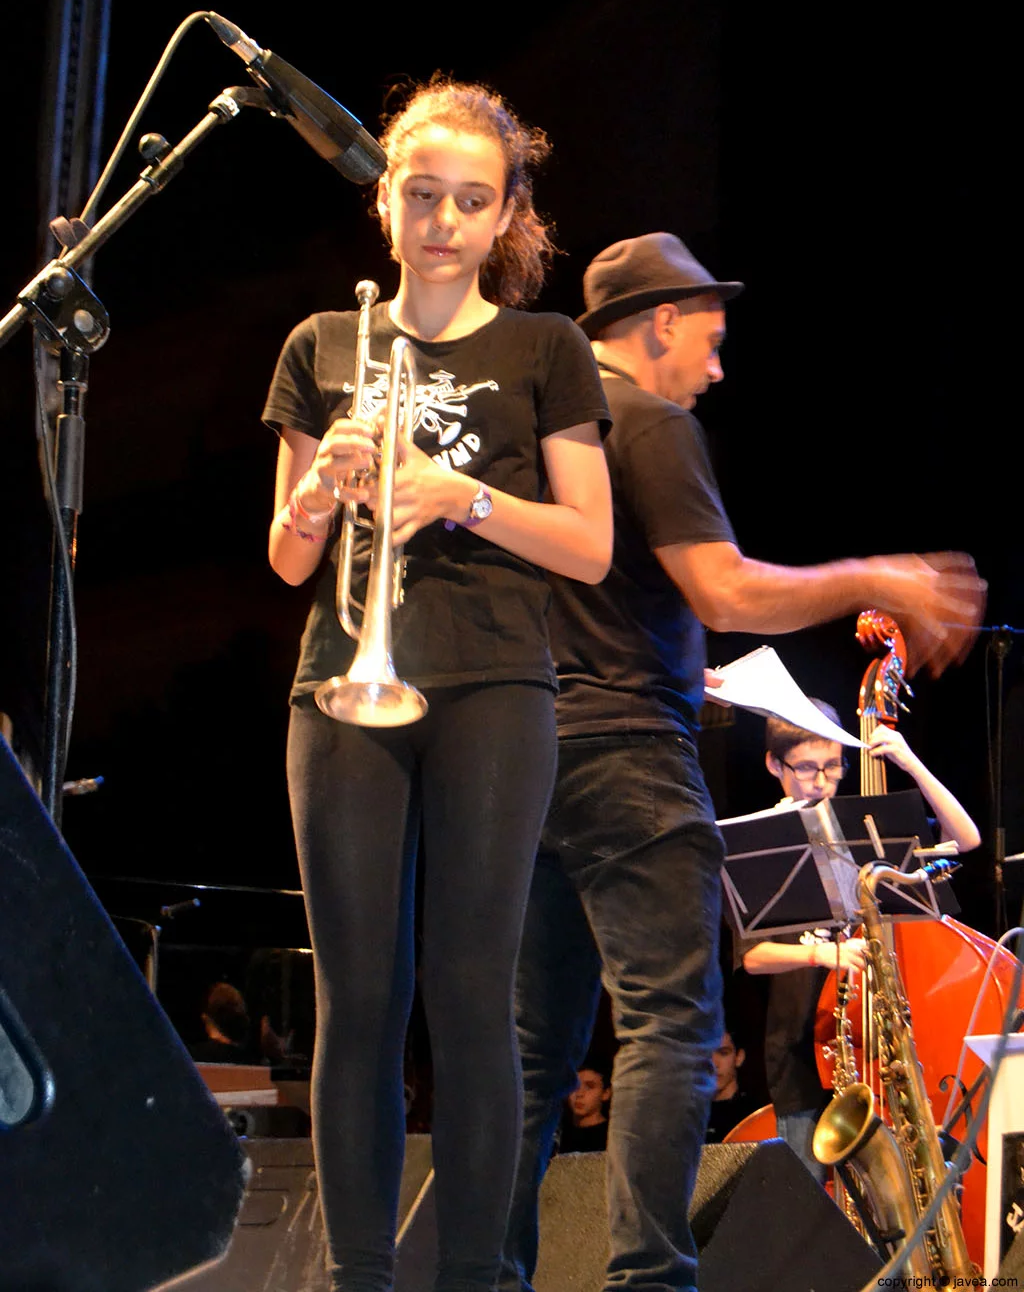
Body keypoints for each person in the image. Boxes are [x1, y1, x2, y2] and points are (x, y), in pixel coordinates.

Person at [500, 232, 985, 1292]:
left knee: (533, 1057)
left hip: (531, 761)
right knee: (669, 1028)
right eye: (710, 342)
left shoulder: (547, 430)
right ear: (661, 324)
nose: (717, 370)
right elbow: (722, 592)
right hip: (629, 760)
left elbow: (596, 604)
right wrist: (881, 574)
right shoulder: (653, 422)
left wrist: (694, 674)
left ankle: (488, 1276)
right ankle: (650, 1281)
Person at [262, 80, 614, 1292]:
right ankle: (360, 1276)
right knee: (359, 995)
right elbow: (288, 555)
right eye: (423, 196)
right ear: (385, 201)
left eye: (472, 201)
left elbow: (589, 544)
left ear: (505, 212)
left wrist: (454, 491)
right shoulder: (325, 344)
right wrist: (326, 488)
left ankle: (476, 1277)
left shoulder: (545, 349)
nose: (444, 222)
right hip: (344, 680)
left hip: (495, 688)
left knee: (473, 994)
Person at [740, 701, 980, 1181]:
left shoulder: (865, 830)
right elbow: (754, 958)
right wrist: (825, 953)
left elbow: (966, 838)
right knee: (814, 1216)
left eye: (833, 766)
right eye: (807, 768)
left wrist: (910, 762)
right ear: (774, 764)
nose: (822, 781)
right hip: (803, 1061)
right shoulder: (761, 840)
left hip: (877, 1048)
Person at [704, 1026, 758, 1143]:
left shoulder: (754, 1116)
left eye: (723, 1053)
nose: (713, 1063)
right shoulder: (686, 1118)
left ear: (739, 1057)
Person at [558, 1064, 612, 1153]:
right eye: (574, 1086)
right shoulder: (557, 1134)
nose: (579, 1094)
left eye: (589, 1086)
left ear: (606, 1093)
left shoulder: (612, 1136)